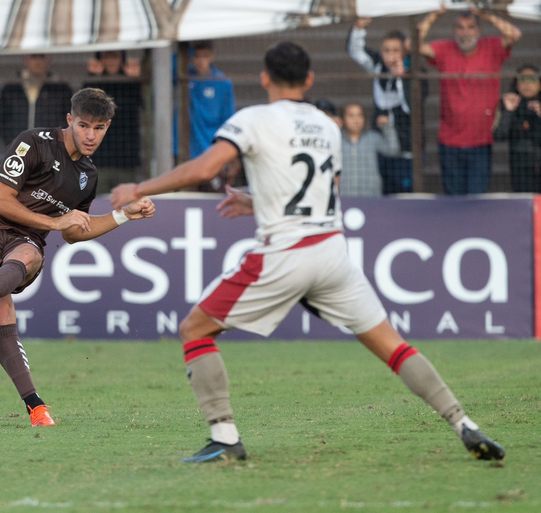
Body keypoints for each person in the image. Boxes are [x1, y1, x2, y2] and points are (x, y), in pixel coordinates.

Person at [110, 42, 505, 463]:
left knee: (194, 329)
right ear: (310, 80)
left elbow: (206, 168)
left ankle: (225, 437)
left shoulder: (253, 118)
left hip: (285, 254)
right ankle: (464, 424)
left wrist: (140, 188)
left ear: (264, 78)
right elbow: (327, 192)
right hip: (333, 254)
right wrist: (257, 201)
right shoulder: (327, 125)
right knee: (393, 345)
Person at [0, 88, 155, 427]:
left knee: (30, 255)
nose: (90, 135)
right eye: (84, 125)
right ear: (70, 119)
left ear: (108, 127)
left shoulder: (87, 176)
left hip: (25, 239)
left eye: (99, 128)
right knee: (2, 305)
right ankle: (35, 406)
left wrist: (124, 214)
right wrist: (55, 221)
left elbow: (74, 232)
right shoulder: (33, 142)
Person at [418, 6, 522, 195]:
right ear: (454, 30)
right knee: (454, 204)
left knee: (477, 200)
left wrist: (485, 14)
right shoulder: (444, 49)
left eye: (470, 27)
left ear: (478, 31)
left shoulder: (491, 47)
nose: (465, 32)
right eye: (460, 27)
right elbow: (414, 45)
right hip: (449, 142)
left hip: (481, 142)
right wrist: (434, 14)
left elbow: (514, 34)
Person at [348, 19, 425, 194]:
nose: (391, 55)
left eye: (396, 51)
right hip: (382, 150)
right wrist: (359, 28)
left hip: (407, 152)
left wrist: (402, 79)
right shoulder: (378, 66)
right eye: (386, 51)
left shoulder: (416, 71)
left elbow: (412, 106)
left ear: (405, 52)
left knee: (406, 199)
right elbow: (356, 52)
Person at [176, 41, 240, 192]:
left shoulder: (223, 83)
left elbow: (229, 119)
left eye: (205, 56)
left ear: (212, 57)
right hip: (186, 153)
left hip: (212, 154)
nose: (200, 61)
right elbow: (164, 62)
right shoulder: (183, 76)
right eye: (196, 56)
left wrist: (230, 157)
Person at [84, 50, 143, 192]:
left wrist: (135, 80)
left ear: (122, 60)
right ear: (100, 60)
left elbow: (144, 105)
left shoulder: (131, 83)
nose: (111, 61)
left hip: (126, 161)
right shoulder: (94, 84)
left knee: (125, 208)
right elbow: (85, 108)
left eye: (115, 56)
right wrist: (93, 77)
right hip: (99, 161)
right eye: (107, 56)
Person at [0, 54, 72, 143]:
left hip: (50, 149)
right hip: (19, 149)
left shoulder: (59, 88)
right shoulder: (12, 88)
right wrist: (13, 142)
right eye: (34, 56)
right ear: (25, 59)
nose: (38, 61)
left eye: (42, 56)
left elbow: (68, 119)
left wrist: (55, 142)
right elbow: (0, 120)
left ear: (49, 59)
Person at [493, 65, 541, 192]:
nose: (527, 84)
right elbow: (499, 135)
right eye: (523, 80)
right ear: (517, 84)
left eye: (532, 79)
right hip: (520, 169)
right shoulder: (509, 103)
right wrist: (508, 111)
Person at [339, 103, 400, 197]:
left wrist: (387, 127)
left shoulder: (373, 138)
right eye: (351, 116)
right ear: (343, 119)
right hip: (344, 196)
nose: (356, 120)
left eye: (359, 115)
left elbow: (393, 150)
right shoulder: (337, 139)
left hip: (370, 197)